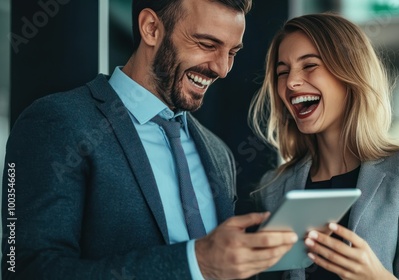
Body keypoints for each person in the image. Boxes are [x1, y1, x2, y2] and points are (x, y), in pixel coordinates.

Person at [1, 0, 298, 279]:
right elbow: (26, 269)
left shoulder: (218, 153)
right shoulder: (56, 122)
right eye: (207, 45)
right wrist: (195, 262)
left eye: (232, 53)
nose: (221, 68)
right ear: (151, 29)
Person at [247, 12, 399, 280]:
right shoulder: (273, 187)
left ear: (349, 73)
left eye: (309, 65)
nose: (291, 82)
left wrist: (375, 276)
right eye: (283, 72)